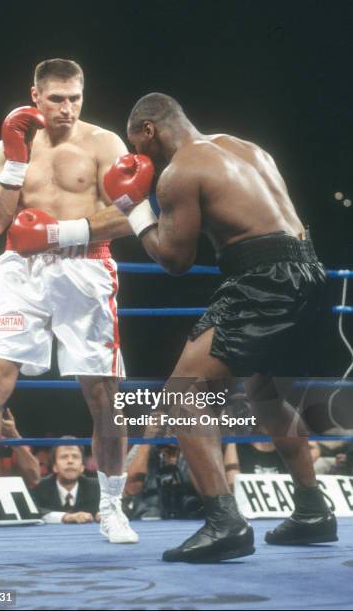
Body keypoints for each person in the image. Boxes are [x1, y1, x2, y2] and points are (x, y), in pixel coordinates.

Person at [100, 92, 337, 563]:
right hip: (310, 272)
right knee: (265, 393)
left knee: (181, 395)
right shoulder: (247, 147)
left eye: (137, 144)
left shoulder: (181, 171)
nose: (137, 157)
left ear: (149, 129)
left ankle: (225, 523)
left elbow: (174, 259)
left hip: (263, 280)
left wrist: (134, 206)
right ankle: (313, 511)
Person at [0, 58, 138, 551]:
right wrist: (14, 163)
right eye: (57, 98)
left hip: (86, 266)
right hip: (23, 271)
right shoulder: (10, 144)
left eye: (75, 97)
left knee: (104, 396)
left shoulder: (104, 144)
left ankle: (112, 508)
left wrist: (59, 231)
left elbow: (132, 216)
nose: (67, 108)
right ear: (34, 95)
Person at [32, 440, 100, 524]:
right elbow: (33, 512)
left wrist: (105, 514)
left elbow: (114, 508)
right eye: (64, 457)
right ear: (54, 467)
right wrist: (66, 517)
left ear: (82, 467)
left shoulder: (96, 486)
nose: (70, 461)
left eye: (75, 457)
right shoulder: (40, 487)